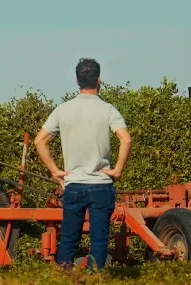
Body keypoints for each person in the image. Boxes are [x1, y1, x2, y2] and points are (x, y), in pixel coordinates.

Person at [33, 58, 132, 270]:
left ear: (77, 80)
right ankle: (93, 282)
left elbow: (39, 140)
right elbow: (126, 138)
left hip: (73, 184)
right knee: (99, 240)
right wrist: (118, 170)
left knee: (68, 238)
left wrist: (55, 171)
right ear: (99, 80)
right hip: (101, 185)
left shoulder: (63, 110)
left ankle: (65, 281)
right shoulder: (108, 110)